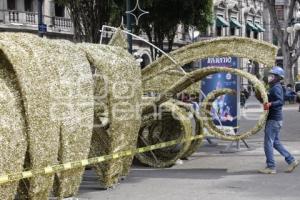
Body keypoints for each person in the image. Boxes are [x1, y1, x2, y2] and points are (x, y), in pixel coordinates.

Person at [258, 66, 299, 174]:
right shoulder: (274, 87)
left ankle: (271, 166)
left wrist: (270, 103)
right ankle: (291, 160)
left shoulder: (276, 87)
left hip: (274, 120)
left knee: (268, 143)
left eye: (273, 75)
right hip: (275, 119)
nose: (270, 76)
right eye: (270, 74)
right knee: (275, 143)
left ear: (278, 77)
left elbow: (280, 101)